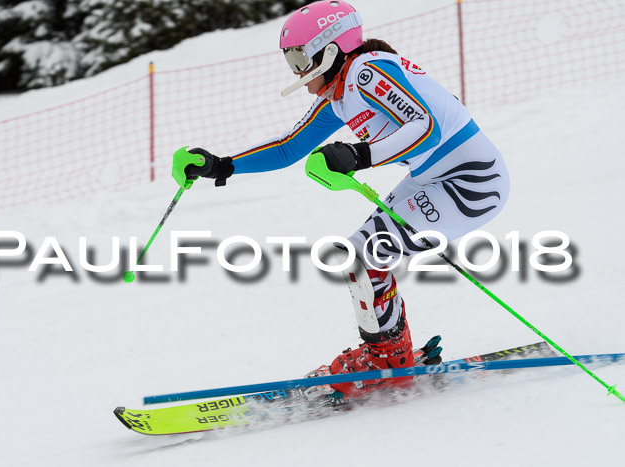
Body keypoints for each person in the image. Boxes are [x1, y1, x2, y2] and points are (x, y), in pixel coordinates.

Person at [175, 0, 509, 399]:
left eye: (300, 57)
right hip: (433, 180)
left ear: (329, 48)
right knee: (362, 256)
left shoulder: (368, 71)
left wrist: (357, 156)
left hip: (470, 183)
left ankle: (388, 361)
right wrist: (222, 166)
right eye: (290, 60)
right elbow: (287, 148)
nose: (297, 71)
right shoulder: (341, 93)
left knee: (362, 256)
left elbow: (427, 128)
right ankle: (392, 355)